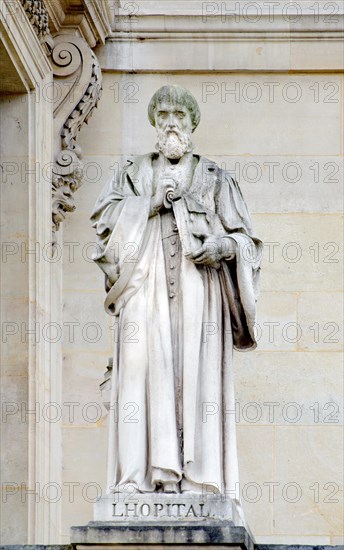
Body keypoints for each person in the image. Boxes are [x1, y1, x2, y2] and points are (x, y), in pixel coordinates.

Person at [91, 85, 262, 495]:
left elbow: (247, 242)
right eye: (163, 114)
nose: (170, 122)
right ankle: (135, 478)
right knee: (138, 371)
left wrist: (221, 246)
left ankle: (200, 481)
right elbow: (104, 221)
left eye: (179, 116)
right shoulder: (132, 172)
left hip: (198, 289)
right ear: (154, 121)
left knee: (197, 375)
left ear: (192, 123)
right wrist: (149, 203)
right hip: (141, 285)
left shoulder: (214, 176)